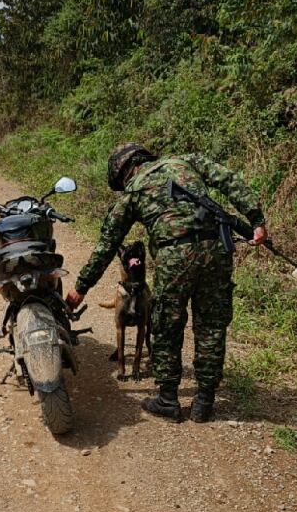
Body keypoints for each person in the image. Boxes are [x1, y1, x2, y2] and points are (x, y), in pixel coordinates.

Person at [65, 144, 267, 422]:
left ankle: (168, 400)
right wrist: (255, 219)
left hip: (175, 256)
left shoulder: (133, 192)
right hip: (217, 248)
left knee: (166, 325)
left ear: (124, 171)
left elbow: (107, 246)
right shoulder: (185, 161)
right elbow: (227, 178)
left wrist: (81, 287)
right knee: (211, 326)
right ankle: (204, 402)